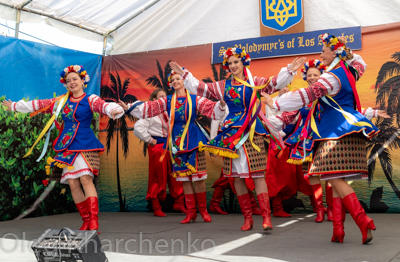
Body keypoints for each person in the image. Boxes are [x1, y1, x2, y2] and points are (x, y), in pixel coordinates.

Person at [264, 34, 389, 244]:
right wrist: (344, 51)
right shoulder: (350, 71)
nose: (321, 55)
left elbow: (307, 95)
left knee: (335, 178)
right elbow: (360, 62)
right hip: (350, 130)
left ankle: (362, 219)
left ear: (334, 52)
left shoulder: (330, 77)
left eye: (324, 51)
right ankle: (338, 230)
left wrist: (274, 103)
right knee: (334, 179)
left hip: (335, 132)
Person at [170, 48, 305, 231]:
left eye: (236, 62)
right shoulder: (222, 86)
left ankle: (266, 217)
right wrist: (184, 74)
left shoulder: (255, 82)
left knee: (257, 175)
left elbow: (273, 83)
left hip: (251, 130)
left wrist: (289, 70)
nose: (233, 66)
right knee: (236, 178)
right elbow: (202, 88)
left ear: (243, 62)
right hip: (231, 135)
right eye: (230, 63)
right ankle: (248, 218)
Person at [2, 65, 124, 231]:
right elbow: (39, 104)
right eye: (68, 81)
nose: (72, 82)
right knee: (73, 183)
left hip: (85, 144)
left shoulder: (90, 99)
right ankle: (86, 220)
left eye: (75, 79)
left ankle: (94, 221)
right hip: (66, 146)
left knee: (86, 180)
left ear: (83, 81)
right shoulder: (61, 102)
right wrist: (16, 106)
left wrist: (114, 110)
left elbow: (103, 106)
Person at [121, 69, 226, 224]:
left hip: (194, 140)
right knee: (184, 178)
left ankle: (203, 211)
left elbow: (211, 109)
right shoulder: (167, 101)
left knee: (198, 177)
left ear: (184, 81)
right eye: (173, 79)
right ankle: (191, 213)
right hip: (177, 143)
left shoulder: (195, 99)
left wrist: (221, 105)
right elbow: (149, 108)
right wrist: (129, 106)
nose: (175, 81)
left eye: (178, 78)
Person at [129, 89, 186, 217]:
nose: (164, 98)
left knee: (176, 175)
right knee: (157, 177)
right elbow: (138, 128)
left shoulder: (170, 112)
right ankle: (156, 207)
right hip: (158, 147)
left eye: (166, 96)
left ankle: (179, 202)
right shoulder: (150, 113)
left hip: (171, 147)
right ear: (154, 100)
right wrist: (150, 140)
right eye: (161, 96)